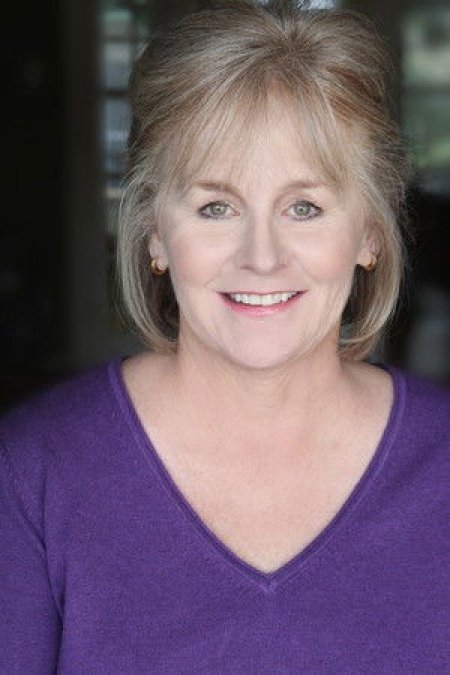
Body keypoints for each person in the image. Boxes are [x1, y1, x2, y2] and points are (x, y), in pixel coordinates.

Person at [1, 1, 449, 672]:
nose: (261, 257)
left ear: (370, 234)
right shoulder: (32, 475)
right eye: (216, 206)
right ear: (155, 232)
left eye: (304, 207)